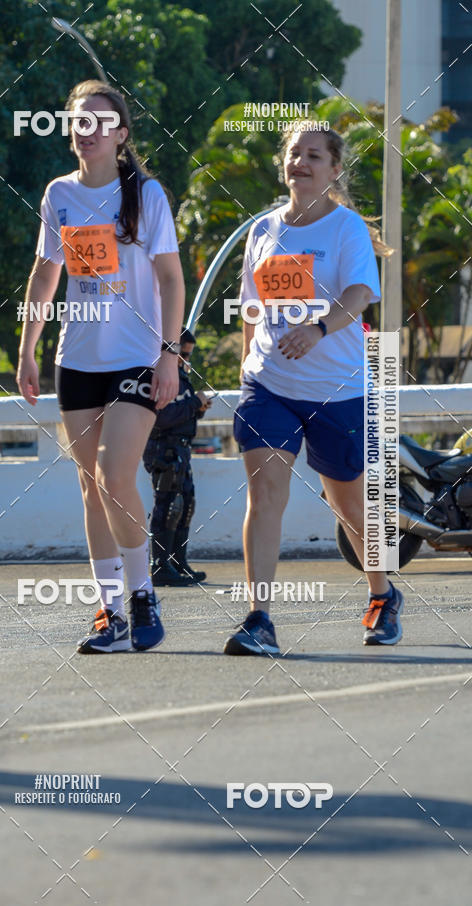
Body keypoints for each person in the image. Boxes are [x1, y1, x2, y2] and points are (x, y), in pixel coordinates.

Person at [16, 80, 184, 654]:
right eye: (77, 122)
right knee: (92, 487)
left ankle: (142, 595)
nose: (86, 130)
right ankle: (108, 612)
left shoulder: (147, 195)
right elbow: (46, 275)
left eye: (98, 121)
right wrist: (27, 347)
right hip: (78, 360)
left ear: (120, 134)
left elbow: (169, 279)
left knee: (116, 477)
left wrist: (170, 354)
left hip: (137, 357)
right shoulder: (58, 194)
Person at [225, 120, 403, 656]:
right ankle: (259, 619)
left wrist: (319, 327)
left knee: (348, 506)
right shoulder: (263, 230)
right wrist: (244, 367)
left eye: (314, 156)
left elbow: (360, 294)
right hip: (269, 385)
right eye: (294, 154)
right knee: (266, 494)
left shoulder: (345, 228)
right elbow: (251, 308)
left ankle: (382, 593)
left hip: (337, 389)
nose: (300, 163)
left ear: (334, 169)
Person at [143, 326, 212, 586]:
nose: (185, 360)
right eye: (182, 353)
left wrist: (199, 408)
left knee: (185, 505)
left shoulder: (180, 376)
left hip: (181, 447)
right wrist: (194, 403)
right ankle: (159, 566)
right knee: (168, 505)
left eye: (188, 355)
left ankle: (176, 562)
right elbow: (161, 417)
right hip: (164, 447)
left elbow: (180, 412)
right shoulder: (158, 374)